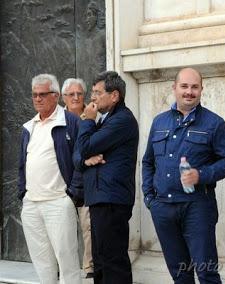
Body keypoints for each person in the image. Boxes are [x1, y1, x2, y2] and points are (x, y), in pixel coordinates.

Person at [142, 67, 225, 284]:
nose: (189, 92)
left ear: (202, 89)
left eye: (195, 87)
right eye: (184, 86)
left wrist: (201, 175)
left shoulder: (214, 123)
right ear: (174, 88)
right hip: (163, 208)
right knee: (180, 274)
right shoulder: (159, 122)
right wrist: (149, 198)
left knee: (207, 273)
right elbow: (148, 161)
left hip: (197, 207)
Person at [73, 71, 139, 283]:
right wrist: (85, 161)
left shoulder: (122, 120)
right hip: (99, 199)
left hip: (111, 201)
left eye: (97, 92)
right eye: (92, 92)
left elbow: (84, 146)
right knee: (100, 263)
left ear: (115, 96)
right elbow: (77, 155)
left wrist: (87, 121)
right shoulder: (104, 121)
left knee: (113, 263)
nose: (92, 98)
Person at [18, 74, 82, 283]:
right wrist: (23, 192)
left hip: (58, 202)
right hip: (32, 204)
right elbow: (22, 164)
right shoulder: (29, 127)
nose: (37, 99)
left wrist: (71, 194)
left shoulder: (70, 121)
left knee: (67, 261)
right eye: (34, 95)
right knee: (42, 262)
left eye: (42, 94)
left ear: (55, 96)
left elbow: (81, 160)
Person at [62, 78, 94, 279]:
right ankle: (63, 265)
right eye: (71, 94)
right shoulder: (56, 118)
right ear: (63, 97)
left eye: (79, 93)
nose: (76, 97)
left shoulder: (92, 116)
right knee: (62, 230)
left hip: (86, 181)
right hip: (60, 184)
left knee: (89, 227)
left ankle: (89, 267)